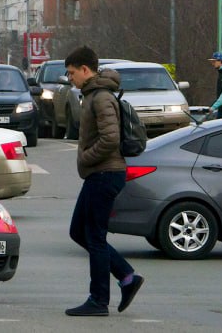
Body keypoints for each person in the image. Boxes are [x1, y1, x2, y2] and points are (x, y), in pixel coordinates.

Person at [63, 46, 144, 317]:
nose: (70, 78)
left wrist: (86, 156)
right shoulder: (93, 95)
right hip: (99, 174)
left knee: (95, 237)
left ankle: (98, 300)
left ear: (85, 70)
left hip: (106, 173)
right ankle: (127, 276)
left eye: (72, 73)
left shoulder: (100, 97)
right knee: (78, 231)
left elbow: (110, 139)